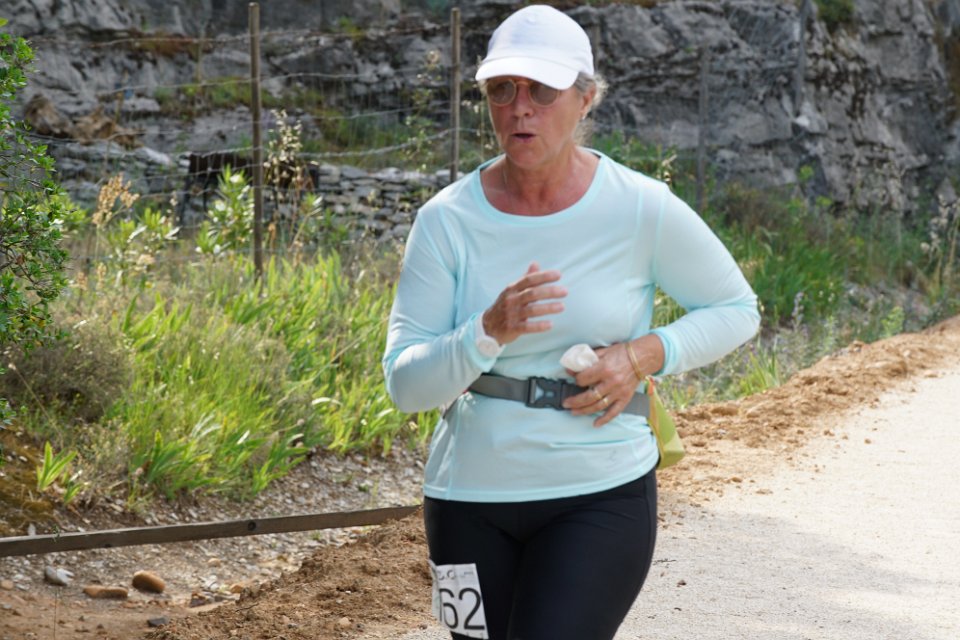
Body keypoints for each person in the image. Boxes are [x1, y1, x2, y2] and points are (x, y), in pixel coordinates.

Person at [382, 5, 760, 639]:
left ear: (586, 99)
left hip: (601, 494)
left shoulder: (640, 207)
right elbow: (404, 385)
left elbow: (735, 309)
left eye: (542, 90)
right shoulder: (445, 221)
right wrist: (486, 331)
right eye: (502, 89)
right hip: (465, 503)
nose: (519, 108)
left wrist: (640, 355)